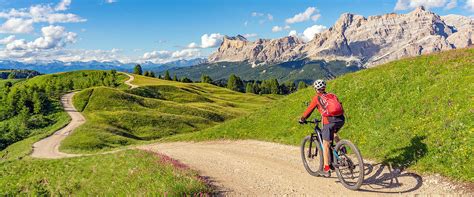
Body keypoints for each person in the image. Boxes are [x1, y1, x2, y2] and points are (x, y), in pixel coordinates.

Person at [299, 79, 345, 177]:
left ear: (316, 89)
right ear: (324, 88)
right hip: (341, 119)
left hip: (329, 121)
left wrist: (302, 118)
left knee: (326, 144)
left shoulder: (317, 98)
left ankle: (326, 169)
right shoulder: (332, 95)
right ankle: (342, 147)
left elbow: (309, 110)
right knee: (334, 133)